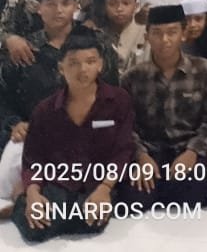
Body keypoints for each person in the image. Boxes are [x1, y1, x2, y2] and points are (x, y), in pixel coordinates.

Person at [0, 0, 118, 217]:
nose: (58, 10)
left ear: (76, 6)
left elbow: (113, 96)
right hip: (33, 133)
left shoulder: (97, 44)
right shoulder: (23, 48)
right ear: (38, 8)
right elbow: (4, 98)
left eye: (65, 3)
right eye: (50, 4)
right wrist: (15, 123)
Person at [11, 32, 134, 243]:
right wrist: (32, 192)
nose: (83, 69)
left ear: (101, 65)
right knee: (36, 229)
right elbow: (32, 158)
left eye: (90, 61)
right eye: (74, 63)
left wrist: (105, 188)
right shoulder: (45, 110)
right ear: (61, 68)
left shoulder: (119, 100)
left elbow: (123, 150)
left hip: (98, 182)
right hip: (58, 182)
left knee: (91, 224)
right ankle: (21, 202)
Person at [119, 5, 207, 209]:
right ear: (147, 37)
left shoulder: (204, 70)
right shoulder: (132, 77)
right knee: (135, 200)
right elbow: (126, 125)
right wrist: (141, 156)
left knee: (191, 198)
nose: (165, 40)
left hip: (187, 148)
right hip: (150, 151)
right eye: (157, 33)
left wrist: (192, 152)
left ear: (183, 34)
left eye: (172, 32)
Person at [95, 0, 148, 75]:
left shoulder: (146, 33)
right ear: (104, 7)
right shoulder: (97, 35)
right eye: (112, 4)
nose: (119, 9)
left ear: (136, 6)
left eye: (126, 3)